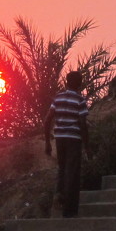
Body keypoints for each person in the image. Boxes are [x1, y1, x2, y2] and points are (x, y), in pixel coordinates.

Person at [43, 70, 89, 218]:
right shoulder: (80, 100)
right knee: (73, 172)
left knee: (62, 169)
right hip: (73, 139)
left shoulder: (58, 98)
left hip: (60, 139)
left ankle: (59, 199)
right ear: (80, 83)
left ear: (67, 82)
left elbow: (47, 121)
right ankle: (70, 210)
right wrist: (87, 145)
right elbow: (83, 124)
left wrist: (48, 143)